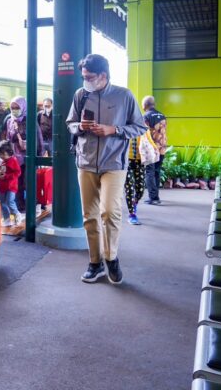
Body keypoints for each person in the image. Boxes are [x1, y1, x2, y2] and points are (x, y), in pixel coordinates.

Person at [66, 54, 147, 285]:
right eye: (84, 77)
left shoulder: (124, 95)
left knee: (110, 211)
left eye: (90, 77)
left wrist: (114, 130)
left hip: (114, 163)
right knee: (89, 216)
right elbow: (70, 123)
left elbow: (140, 127)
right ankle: (95, 263)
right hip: (86, 161)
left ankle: (111, 257)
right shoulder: (81, 95)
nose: (86, 81)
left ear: (104, 75)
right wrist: (79, 127)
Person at [4, 96, 44, 212]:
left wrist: (40, 156)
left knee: (29, 182)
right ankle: (20, 206)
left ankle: (33, 205)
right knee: (17, 183)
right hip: (15, 157)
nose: (14, 110)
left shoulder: (30, 120)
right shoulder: (9, 121)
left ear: (23, 107)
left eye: (17, 107)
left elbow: (39, 137)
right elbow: (8, 139)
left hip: (29, 157)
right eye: (12, 107)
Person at [142, 95, 168, 205]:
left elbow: (144, 134)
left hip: (151, 149)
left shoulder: (146, 116)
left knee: (149, 172)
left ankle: (153, 198)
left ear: (145, 105)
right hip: (162, 148)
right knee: (156, 171)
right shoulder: (162, 115)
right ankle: (156, 195)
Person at [0, 140, 22, 225]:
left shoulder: (13, 160)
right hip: (2, 186)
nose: (1, 156)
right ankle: (7, 219)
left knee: (10, 201)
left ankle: (17, 214)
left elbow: (17, 172)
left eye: (3, 154)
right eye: (0, 154)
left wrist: (6, 176)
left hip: (11, 186)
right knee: (3, 203)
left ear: (8, 152)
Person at [124, 137, 145, 225]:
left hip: (140, 160)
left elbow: (148, 139)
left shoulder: (142, 127)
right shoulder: (124, 126)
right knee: (129, 187)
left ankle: (134, 202)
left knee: (140, 189)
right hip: (126, 160)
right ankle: (132, 214)